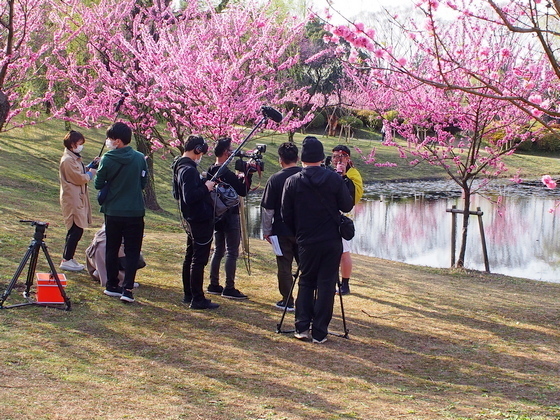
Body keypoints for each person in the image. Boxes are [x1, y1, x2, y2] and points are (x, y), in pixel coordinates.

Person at [282, 136, 353, 344]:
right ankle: (320, 332)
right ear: (322, 158)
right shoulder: (333, 179)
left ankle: (302, 327)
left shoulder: (292, 181)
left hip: (306, 239)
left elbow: (286, 215)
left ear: (302, 159)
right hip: (331, 239)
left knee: (306, 281)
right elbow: (347, 206)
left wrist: (299, 232)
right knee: (326, 284)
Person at [94, 122, 148, 303]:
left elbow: (98, 184)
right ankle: (128, 288)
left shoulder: (107, 159)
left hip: (113, 211)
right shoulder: (140, 158)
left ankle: (112, 285)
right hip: (135, 211)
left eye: (109, 138)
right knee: (133, 251)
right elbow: (143, 183)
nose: (108, 142)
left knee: (112, 247)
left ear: (117, 141)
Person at [172, 135, 219, 310]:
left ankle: (189, 294)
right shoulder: (188, 170)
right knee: (198, 259)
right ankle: (197, 298)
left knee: (190, 256)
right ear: (197, 150)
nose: (202, 156)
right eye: (201, 152)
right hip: (199, 218)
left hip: (191, 218)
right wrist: (206, 187)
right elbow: (190, 196)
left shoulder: (179, 166)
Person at [206, 137, 252, 300]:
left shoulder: (211, 169)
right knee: (232, 251)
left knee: (219, 249)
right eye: (230, 149)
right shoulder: (226, 172)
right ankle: (229, 287)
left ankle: (213, 284)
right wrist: (248, 174)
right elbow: (243, 191)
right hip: (231, 215)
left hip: (217, 215)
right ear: (226, 152)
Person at [261, 142, 301, 311]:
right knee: (306, 266)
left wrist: (267, 231)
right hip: (303, 229)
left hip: (281, 229)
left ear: (280, 160)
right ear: (298, 158)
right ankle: (307, 299)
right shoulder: (305, 176)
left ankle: (287, 299)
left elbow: (268, 209)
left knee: (284, 266)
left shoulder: (275, 179)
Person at [59, 130, 98, 272]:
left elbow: (80, 171)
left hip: (77, 197)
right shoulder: (68, 160)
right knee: (76, 229)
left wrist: (91, 165)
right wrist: (91, 172)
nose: (81, 146)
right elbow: (79, 177)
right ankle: (67, 259)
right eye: (79, 144)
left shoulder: (73, 158)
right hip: (72, 198)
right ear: (72, 144)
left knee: (76, 229)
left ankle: (69, 257)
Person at [332, 145, 363, 295]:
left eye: (341, 156)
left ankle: (345, 284)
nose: (338, 159)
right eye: (335, 156)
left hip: (344, 218)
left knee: (344, 252)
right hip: (328, 217)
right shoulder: (329, 172)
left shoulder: (353, 173)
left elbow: (353, 196)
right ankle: (330, 281)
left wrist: (344, 176)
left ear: (348, 158)